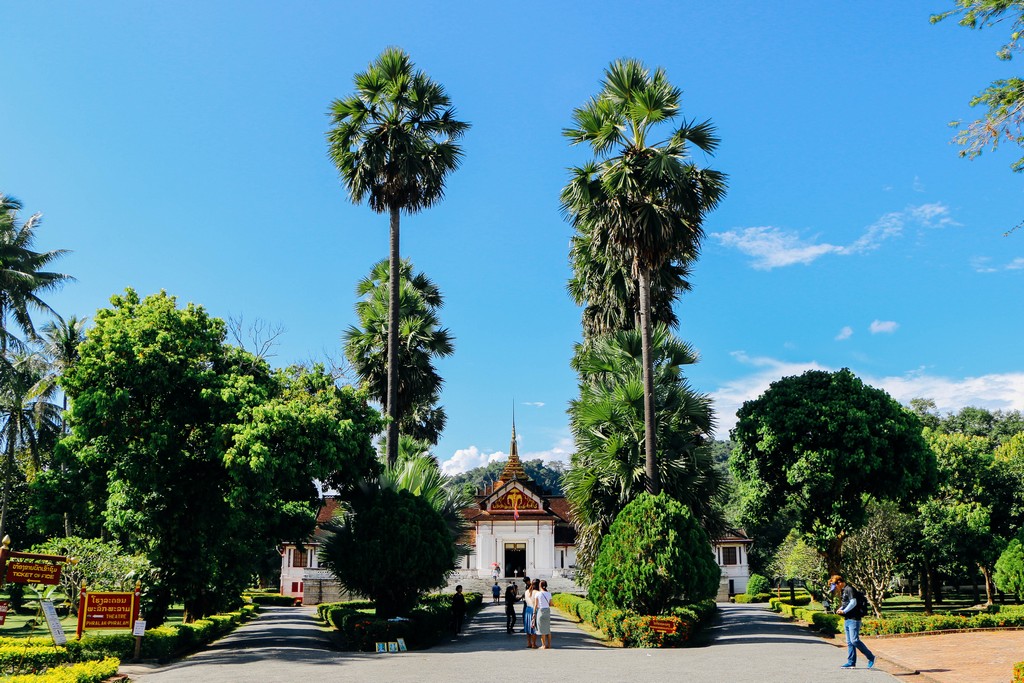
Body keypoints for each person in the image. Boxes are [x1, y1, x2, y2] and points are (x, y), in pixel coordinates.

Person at [829, 574, 875, 669]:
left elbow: (853, 602)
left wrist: (844, 611)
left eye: (835, 585)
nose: (835, 588)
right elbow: (846, 603)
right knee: (849, 642)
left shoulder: (849, 589)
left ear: (839, 582)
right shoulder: (844, 590)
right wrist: (841, 609)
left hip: (854, 619)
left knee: (854, 640)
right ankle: (851, 662)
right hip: (848, 618)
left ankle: (871, 657)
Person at [535, 579, 553, 649]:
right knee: (548, 629)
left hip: (541, 611)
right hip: (547, 611)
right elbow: (551, 604)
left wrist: (534, 613)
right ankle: (549, 644)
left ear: (540, 585)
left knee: (542, 629)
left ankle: (543, 645)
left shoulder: (538, 594)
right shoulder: (549, 594)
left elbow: (536, 605)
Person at [523, 578, 537, 648]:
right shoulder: (536, 592)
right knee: (533, 627)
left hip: (527, 609)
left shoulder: (526, 592)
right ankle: (533, 643)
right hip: (533, 609)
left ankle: (529, 643)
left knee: (528, 627)